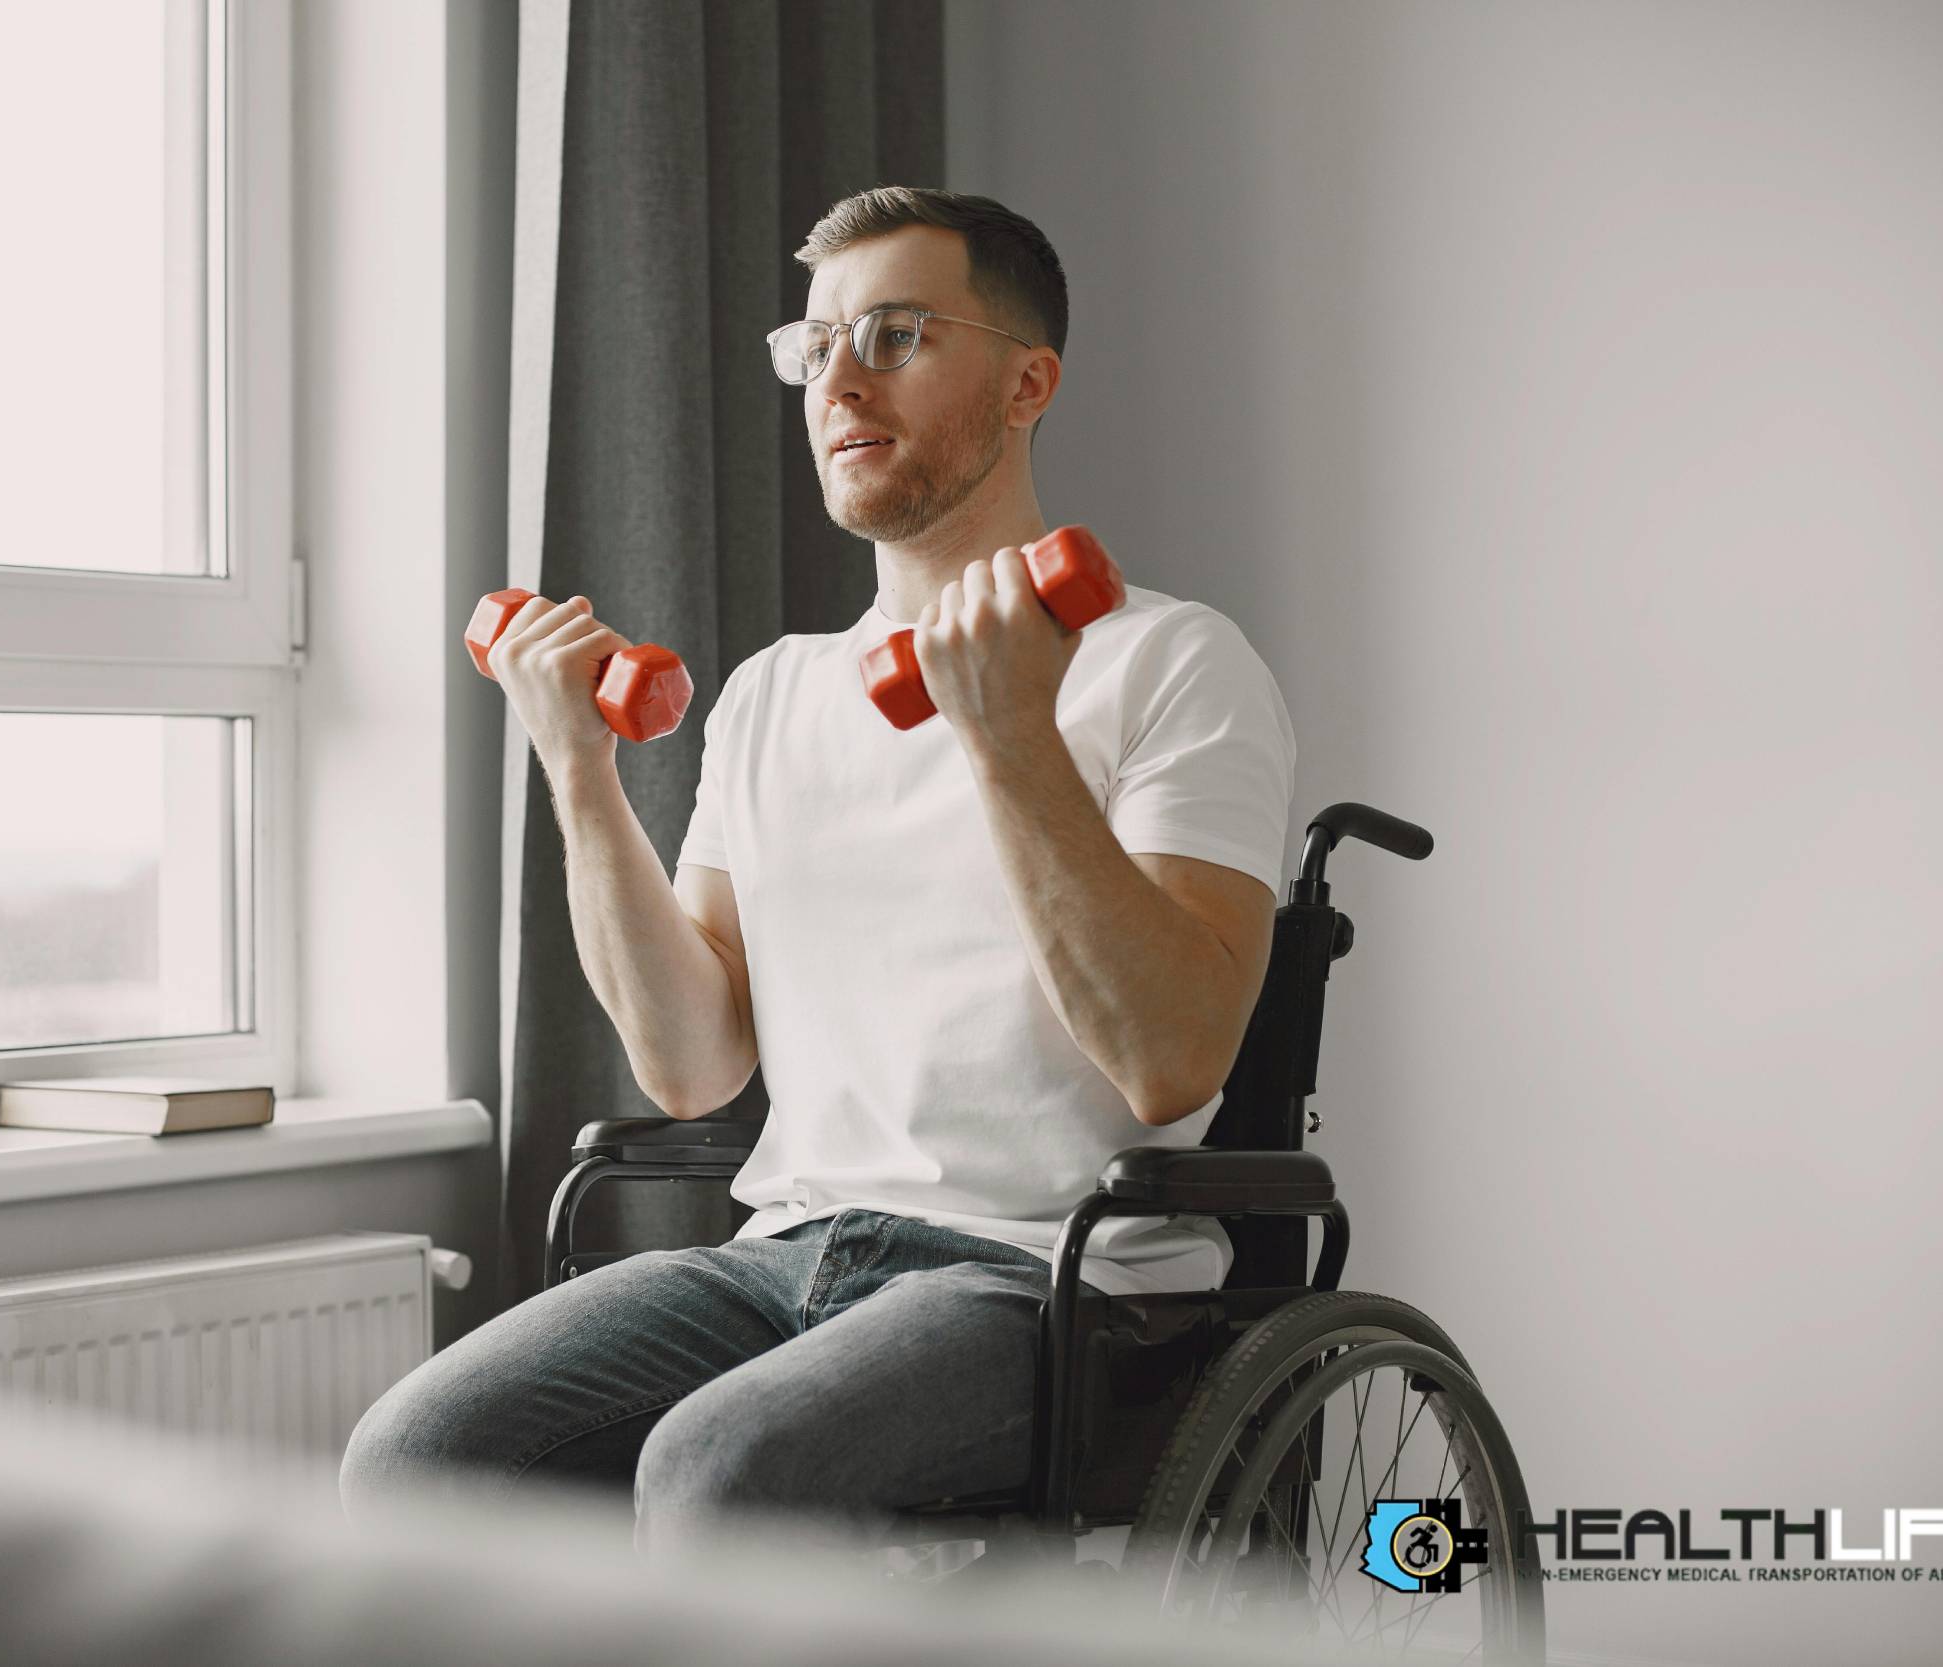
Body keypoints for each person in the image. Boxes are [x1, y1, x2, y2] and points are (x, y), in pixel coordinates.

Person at [340, 187, 1297, 1571]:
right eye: (816, 348)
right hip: (784, 1255)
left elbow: (1170, 1061)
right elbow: (689, 1067)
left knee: (720, 1469)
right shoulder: (772, 695)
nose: (839, 383)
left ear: (1030, 382)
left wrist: (1011, 735)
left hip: (1049, 1280)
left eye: (897, 336)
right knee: (415, 1456)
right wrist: (577, 771)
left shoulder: (1173, 665)